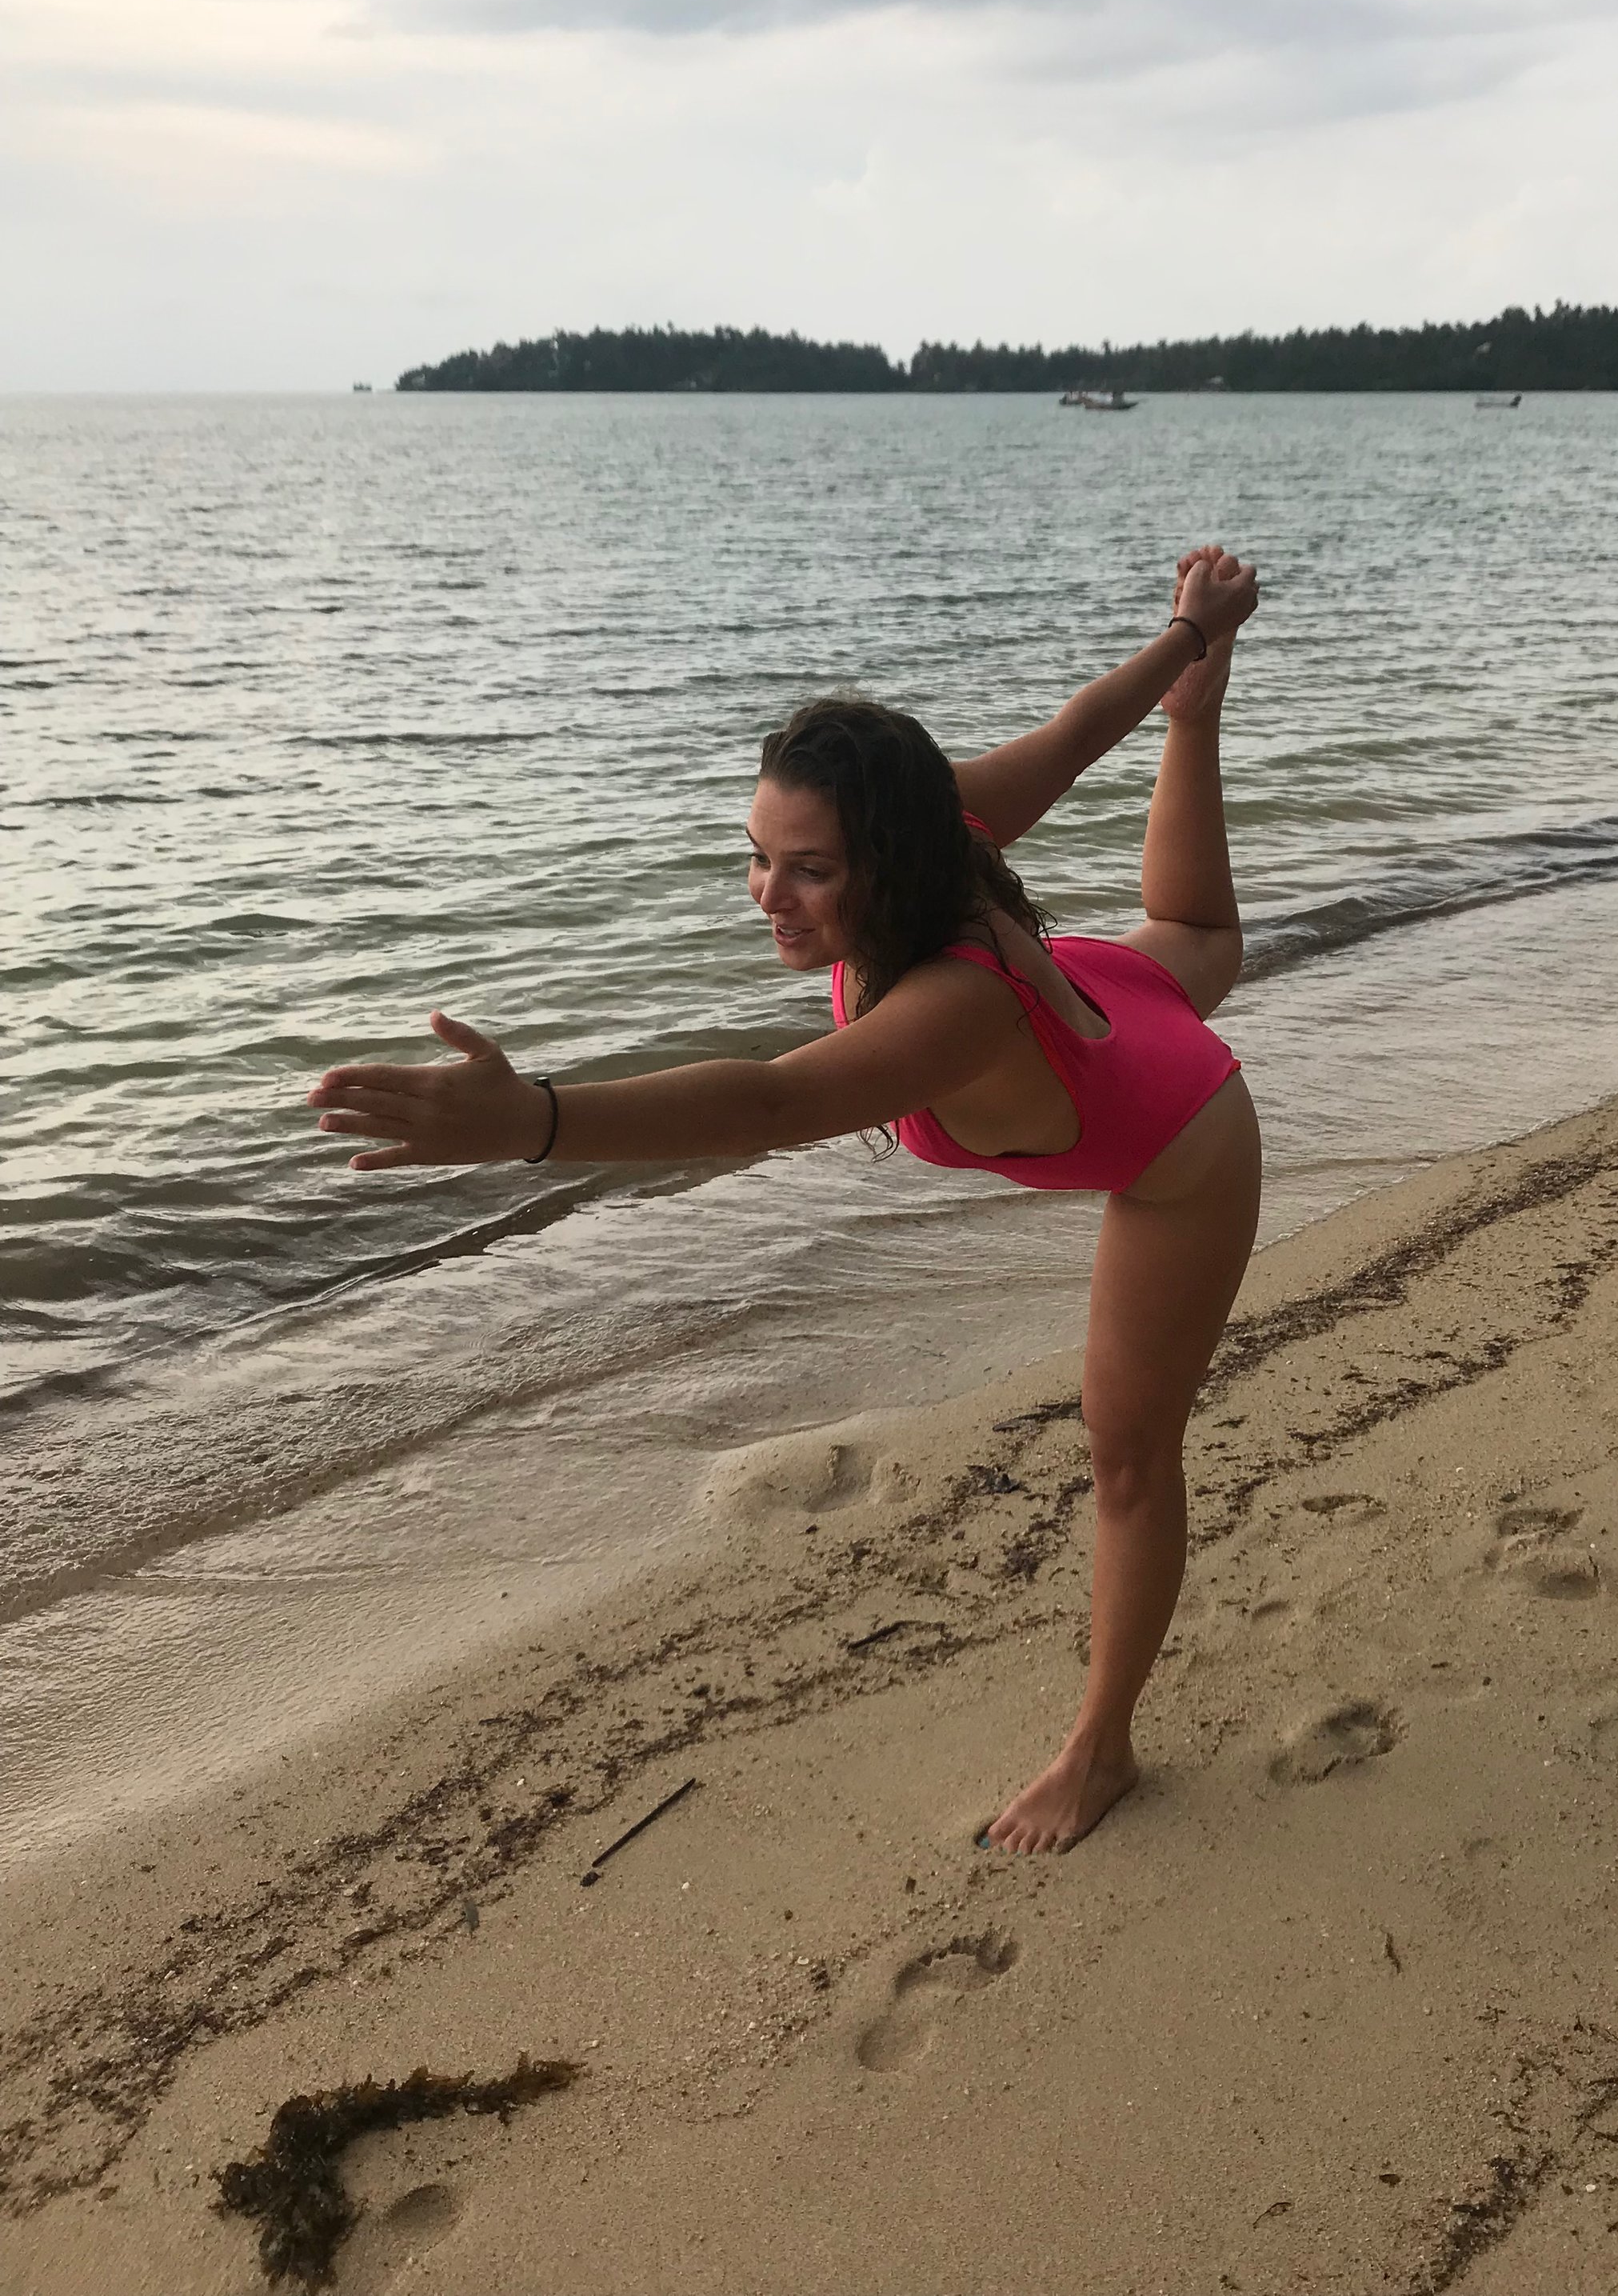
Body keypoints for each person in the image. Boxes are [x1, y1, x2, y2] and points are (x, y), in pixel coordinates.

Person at [308, 546, 1262, 1851]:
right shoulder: (946, 831)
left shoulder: (958, 1006)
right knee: (1196, 940)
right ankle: (1200, 716)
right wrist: (1184, 640)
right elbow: (1075, 732)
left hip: (1177, 1139)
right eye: (757, 856)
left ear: (891, 853)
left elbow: (766, 1103)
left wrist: (529, 1119)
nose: (770, 895)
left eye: (808, 869)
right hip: (1112, 1002)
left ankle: (1103, 1750)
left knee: (1128, 1457)